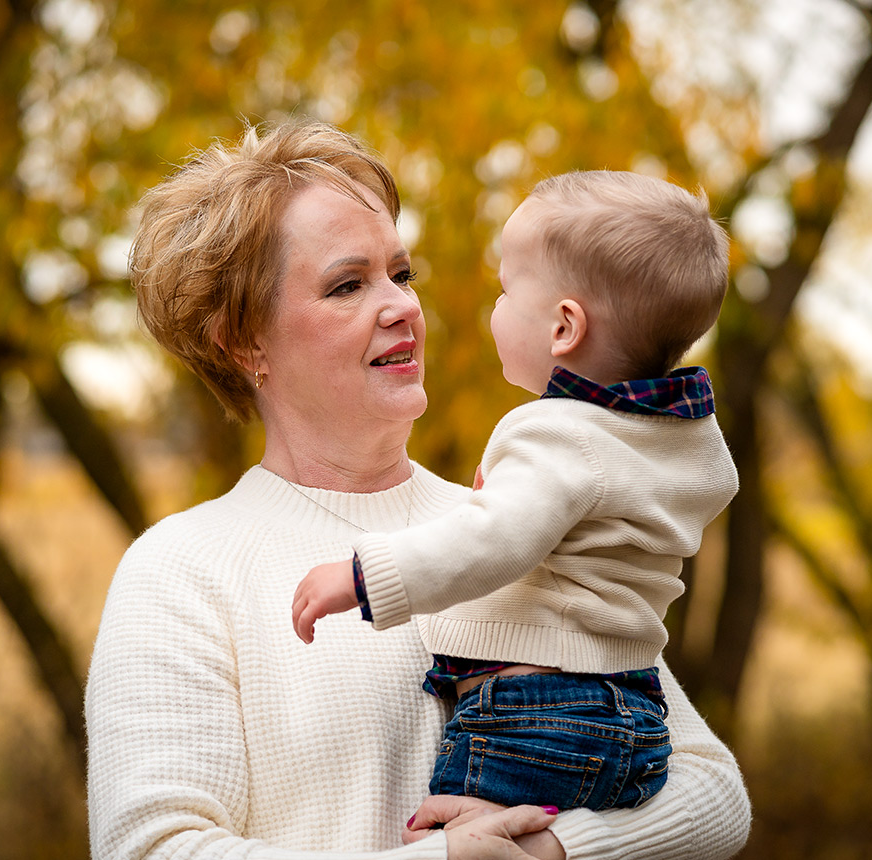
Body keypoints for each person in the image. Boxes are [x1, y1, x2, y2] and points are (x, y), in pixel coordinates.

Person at [84, 119, 751, 859]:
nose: (401, 306)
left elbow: (713, 793)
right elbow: (150, 848)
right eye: (347, 285)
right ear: (241, 342)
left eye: (401, 275)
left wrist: (556, 851)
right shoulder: (181, 568)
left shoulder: (511, 526)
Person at [292, 170, 738, 815]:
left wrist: (367, 577)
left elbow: (490, 541)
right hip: (637, 717)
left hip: (535, 719)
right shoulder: (684, 442)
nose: (493, 307)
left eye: (505, 291)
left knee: (441, 844)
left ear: (563, 328)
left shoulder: (558, 438)